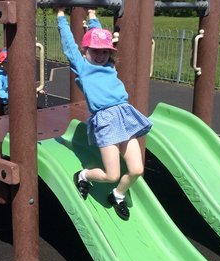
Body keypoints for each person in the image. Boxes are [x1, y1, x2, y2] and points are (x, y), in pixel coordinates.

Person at [57, 8, 153, 220]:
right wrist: (61, 17)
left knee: (137, 169)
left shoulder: (109, 66)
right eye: (95, 51)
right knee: (112, 174)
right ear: (85, 52)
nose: (100, 55)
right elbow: (69, 46)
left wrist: (93, 16)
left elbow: (99, 35)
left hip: (125, 116)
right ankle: (84, 175)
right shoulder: (82, 67)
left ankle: (118, 195)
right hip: (106, 121)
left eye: (105, 52)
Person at [0, 49, 9, 115]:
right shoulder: (0, 76)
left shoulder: (11, 72)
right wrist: (8, 96)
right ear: (2, 65)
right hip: (3, 103)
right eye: (7, 63)